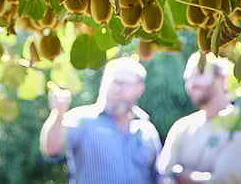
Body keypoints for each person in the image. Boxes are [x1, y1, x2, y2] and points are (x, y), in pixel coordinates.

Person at [40, 56, 162, 184]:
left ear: (139, 89)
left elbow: (159, 175)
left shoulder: (147, 129)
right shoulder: (82, 120)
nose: (118, 89)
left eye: (124, 84)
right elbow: (52, 150)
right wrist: (58, 113)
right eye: (114, 82)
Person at [158, 51, 241, 184]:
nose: (192, 84)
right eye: (188, 79)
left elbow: (223, 182)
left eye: (199, 75)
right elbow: (164, 174)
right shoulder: (181, 127)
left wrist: (180, 174)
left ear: (222, 77)